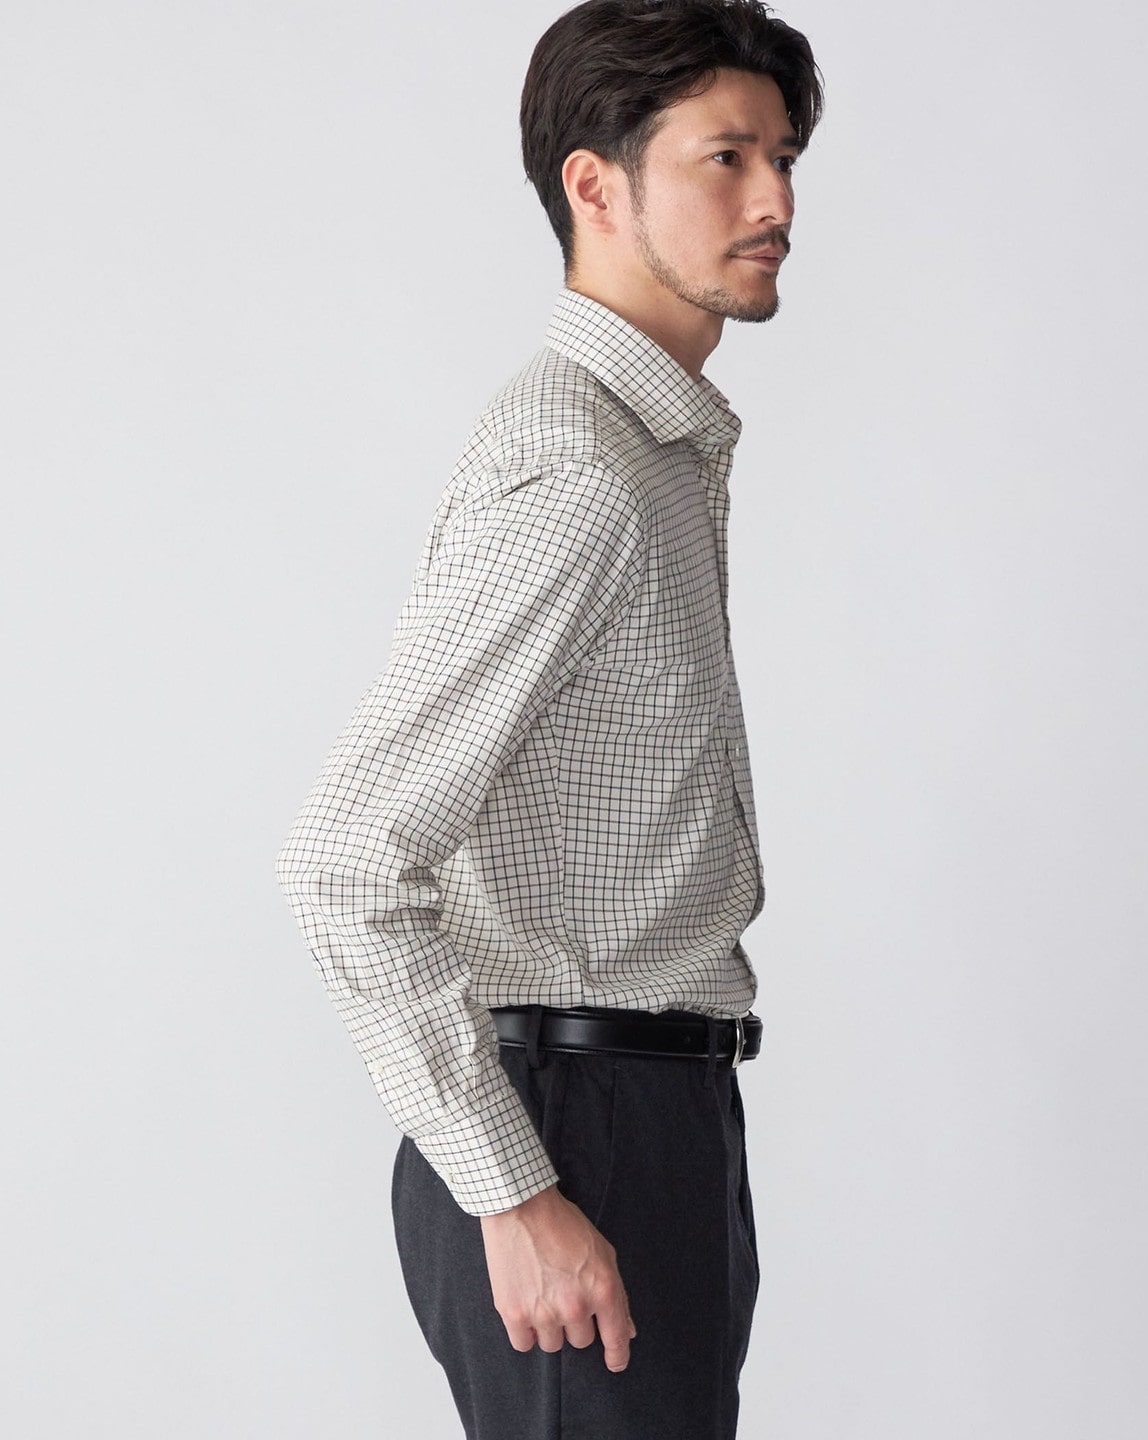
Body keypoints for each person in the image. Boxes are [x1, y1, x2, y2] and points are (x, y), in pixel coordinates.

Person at [276, 2, 822, 1435]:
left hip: (650, 1111)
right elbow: (348, 861)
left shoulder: (654, 453)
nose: (775, 202)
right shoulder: (579, 468)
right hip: (573, 1127)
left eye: (783, 159)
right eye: (727, 158)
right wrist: (515, 1191)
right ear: (596, 186)